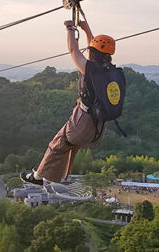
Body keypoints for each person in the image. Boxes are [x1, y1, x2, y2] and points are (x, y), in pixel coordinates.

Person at [20, 19, 119, 185]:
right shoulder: (110, 71)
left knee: (57, 144)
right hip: (98, 129)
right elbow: (93, 49)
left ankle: (38, 177)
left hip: (83, 123)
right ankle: (54, 177)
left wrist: (70, 30)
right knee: (67, 145)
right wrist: (86, 29)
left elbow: (73, 50)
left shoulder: (90, 69)